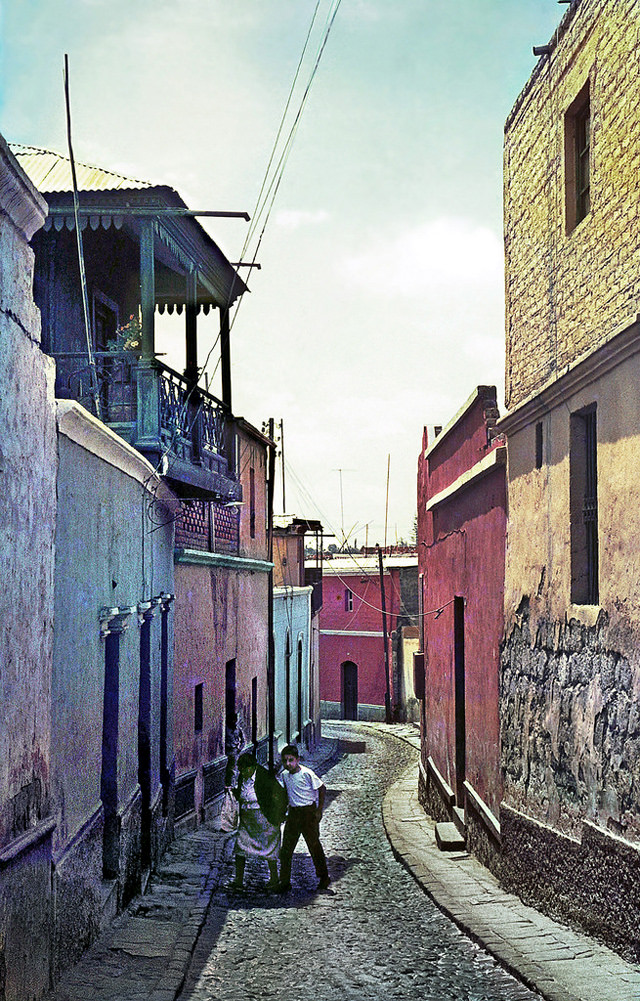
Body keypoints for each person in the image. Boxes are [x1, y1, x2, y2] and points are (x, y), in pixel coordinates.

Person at [229, 752, 288, 891]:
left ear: (252, 767)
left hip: (265, 819)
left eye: (245, 769)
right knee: (240, 847)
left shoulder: (265, 777)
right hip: (247, 820)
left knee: (270, 849)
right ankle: (238, 880)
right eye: (240, 770)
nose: (242, 772)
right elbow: (242, 793)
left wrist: (278, 816)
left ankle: (274, 878)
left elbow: (280, 795)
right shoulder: (242, 777)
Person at [277, 744, 330, 892]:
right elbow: (283, 794)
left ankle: (324, 877)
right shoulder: (284, 775)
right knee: (286, 849)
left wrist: (319, 811)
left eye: (291, 760)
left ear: (297, 759)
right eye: (285, 760)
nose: (288, 764)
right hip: (293, 814)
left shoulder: (307, 774)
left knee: (314, 846)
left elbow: (322, 788)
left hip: (308, 814)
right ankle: (284, 882)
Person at [224, 712, 245, 787]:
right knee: (227, 769)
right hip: (227, 751)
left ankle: (231, 785)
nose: (233, 721)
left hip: (234, 751)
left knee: (233, 769)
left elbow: (243, 740)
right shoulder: (226, 729)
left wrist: (240, 748)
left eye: (235, 720)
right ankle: (227, 784)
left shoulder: (238, 729)